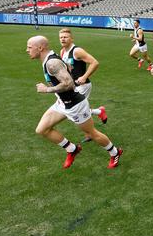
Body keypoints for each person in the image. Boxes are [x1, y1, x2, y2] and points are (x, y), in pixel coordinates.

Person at [27, 36, 122, 169]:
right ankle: (72, 149)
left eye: (30, 47)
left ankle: (115, 152)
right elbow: (69, 70)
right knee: (42, 129)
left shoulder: (51, 63)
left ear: (40, 48)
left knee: (92, 134)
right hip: (62, 103)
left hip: (75, 105)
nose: (27, 50)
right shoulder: (50, 59)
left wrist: (46, 89)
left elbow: (69, 84)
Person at [58, 28, 108, 143]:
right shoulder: (62, 52)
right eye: (61, 37)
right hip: (72, 87)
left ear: (71, 38)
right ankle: (100, 112)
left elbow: (94, 62)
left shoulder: (77, 51)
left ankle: (91, 133)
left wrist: (84, 76)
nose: (63, 39)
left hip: (83, 86)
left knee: (72, 110)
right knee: (77, 111)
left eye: (65, 37)